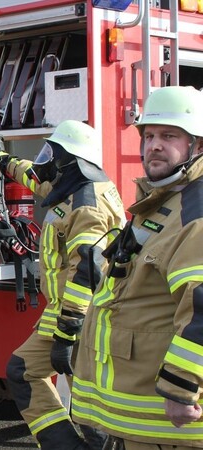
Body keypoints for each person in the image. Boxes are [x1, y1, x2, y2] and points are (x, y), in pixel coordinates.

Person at [72, 86, 203, 449]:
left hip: (167, 426)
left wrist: (181, 387)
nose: (154, 145)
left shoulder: (196, 213)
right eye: (149, 135)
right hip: (136, 415)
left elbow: (202, 304)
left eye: (169, 136)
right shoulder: (163, 201)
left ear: (199, 145)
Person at [0, 120, 126, 449]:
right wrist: (2, 158)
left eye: (54, 152)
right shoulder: (74, 184)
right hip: (67, 314)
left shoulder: (86, 204)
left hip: (85, 319)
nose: (48, 158)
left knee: (90, 407)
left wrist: (67, 331)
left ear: (70, 159)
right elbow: (36, 177)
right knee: (24, 370)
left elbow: (86, 269)